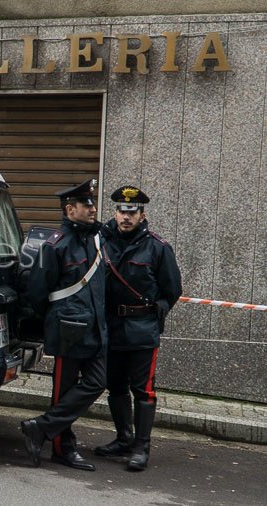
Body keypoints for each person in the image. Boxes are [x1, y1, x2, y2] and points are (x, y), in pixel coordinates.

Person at [20, 179, 108, 471]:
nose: (92, 208)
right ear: (70, 209)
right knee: (63, 391)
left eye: (92, 203)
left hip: (94, 329)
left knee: (97, 382)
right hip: (68, 329)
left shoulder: (95, 240)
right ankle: (62, 447)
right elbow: (37, 292)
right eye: (86, 205)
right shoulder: (56, 245)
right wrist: (57, 318)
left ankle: (41, 428)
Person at [95, 186, 182, 471]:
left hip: (142, 330)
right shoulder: (101, 242)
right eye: (122, 211)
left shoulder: (158, 247)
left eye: (132, 212)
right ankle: (124, 438)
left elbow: (172, 290)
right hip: (111, 326)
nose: (126, 217)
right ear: (115, 212)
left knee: (143, 390)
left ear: (142, 215)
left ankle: (141, 447)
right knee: (115, 386)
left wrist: (157, 313)